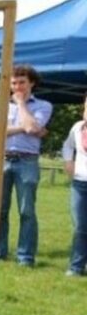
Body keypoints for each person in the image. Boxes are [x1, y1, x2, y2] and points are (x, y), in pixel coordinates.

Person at [0, 64, 53, 266]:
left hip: (27, 161)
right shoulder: (0, 107)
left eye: (22, 82)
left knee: (27, 211)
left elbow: (33, 127)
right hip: (2, 159)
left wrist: (21, 105)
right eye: (14, 83)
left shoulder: (44, 105)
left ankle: (25, 256)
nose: (17, 87)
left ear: (31, 83)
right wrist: (26, 127)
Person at [62, 93, 87, 277]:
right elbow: (67, 145)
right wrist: (68, 161)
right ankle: (76, 267)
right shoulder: (77, 128)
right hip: (80, 183)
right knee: (80, 225)